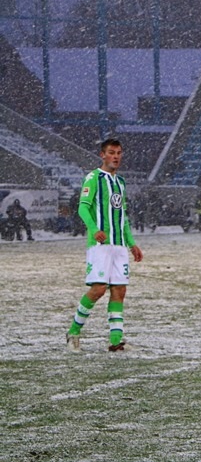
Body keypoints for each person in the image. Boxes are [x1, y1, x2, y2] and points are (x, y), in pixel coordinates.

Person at [65, 139, 143, 352]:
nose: (116, 156)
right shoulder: (93, 178)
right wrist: (93, 228)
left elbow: (123, 216)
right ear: (102, 155)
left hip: (118, 246)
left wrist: (131, 243)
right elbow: (83, 208)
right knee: (98, 289)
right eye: (111, 152)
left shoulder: (121, 182)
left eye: (118, 152)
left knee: (119, 291)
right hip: (100, 245)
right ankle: (73, 332)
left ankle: (116, 340)